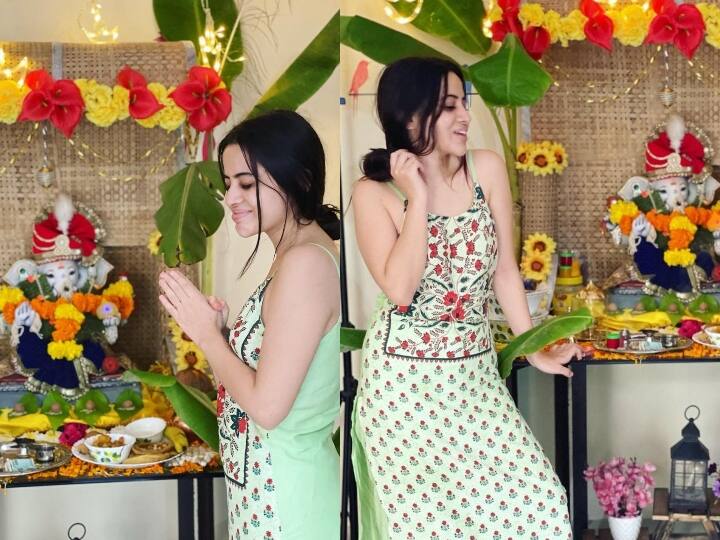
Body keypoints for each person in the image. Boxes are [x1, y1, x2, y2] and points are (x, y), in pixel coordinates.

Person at [350, 57, 581, 539]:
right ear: (411, 117)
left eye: (464, 102)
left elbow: (504, 271)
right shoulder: (375, 192)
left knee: (539, 505)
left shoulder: (486, 168)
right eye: (449, 106)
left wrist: (533, 348)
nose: (464, 116)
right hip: (404, 388)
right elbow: (400, 290)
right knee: (430, 528)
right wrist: (417, 197)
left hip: (474, 375)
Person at [158, 110, 341, 539]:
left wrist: (206, 335)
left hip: (289, 499)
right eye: (228, 185)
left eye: (246, 183)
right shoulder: (293, 256)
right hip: (266, 493)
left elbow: (268, 408)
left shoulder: (306, 263)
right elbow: (271, 371)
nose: (231, 198)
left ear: (300, 179)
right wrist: (222, 335)